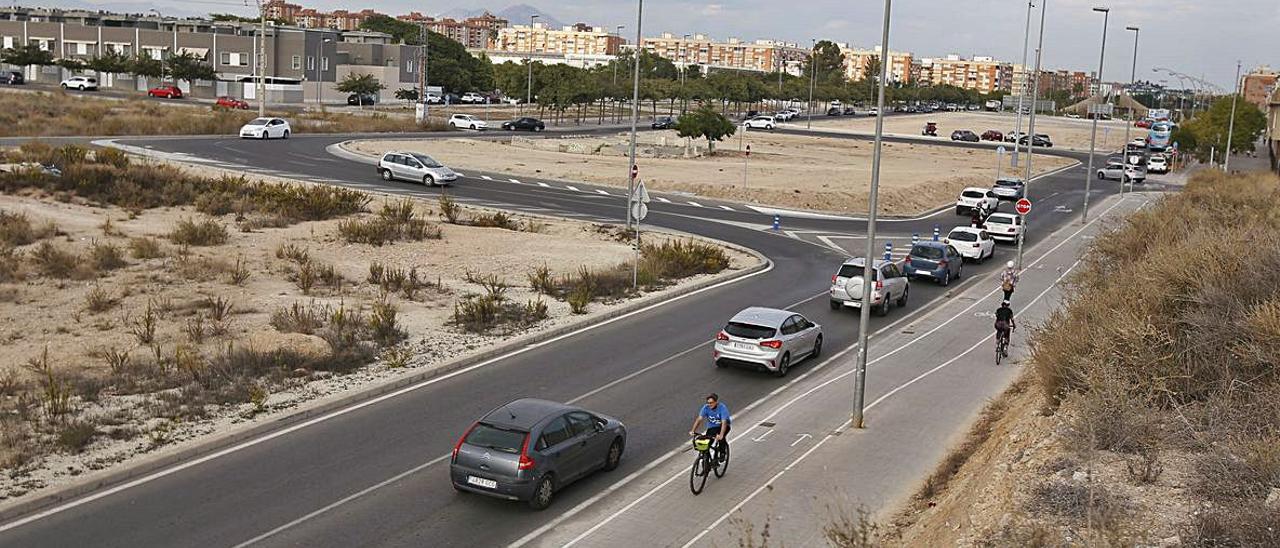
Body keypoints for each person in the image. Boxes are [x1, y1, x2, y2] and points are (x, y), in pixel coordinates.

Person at [689, 393, 731, 461]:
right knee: (706, 443)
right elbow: (699, 419)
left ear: (716, 402)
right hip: (712, 427)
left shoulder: (722, 408)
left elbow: (724, 422)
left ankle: (722, 453)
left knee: (721, 438)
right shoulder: (706, 407)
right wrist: (693, 430)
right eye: (708, 403)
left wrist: (721, 435)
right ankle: (706, 465)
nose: (709, 404)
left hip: (724, 426)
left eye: (711, 403)